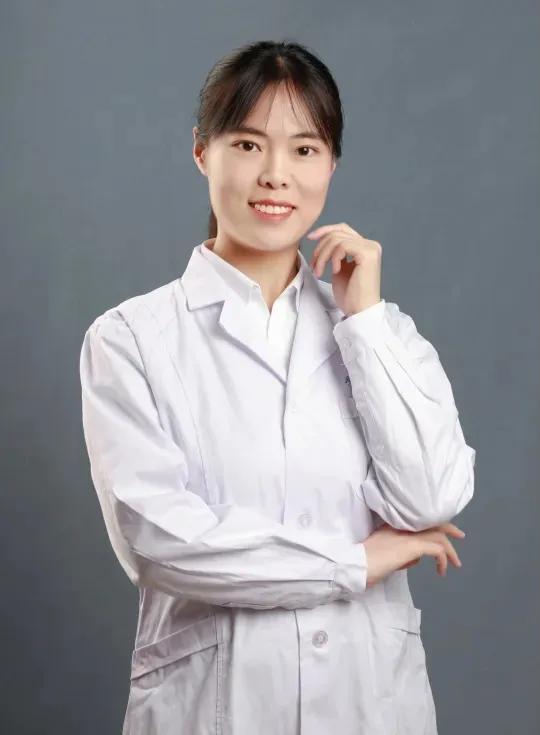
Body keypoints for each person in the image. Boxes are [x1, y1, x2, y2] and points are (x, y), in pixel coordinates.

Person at [79, 39, 476, 735]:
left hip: (370, 706)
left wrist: (365, 323)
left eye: (304, 149)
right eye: (247, 144)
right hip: (214, 711)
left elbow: (433, 496)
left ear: (331, 165)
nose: (275, 176)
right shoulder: (131, 339)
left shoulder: (381, 333)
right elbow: (159, 539)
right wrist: (351, 563)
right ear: (202, 152)